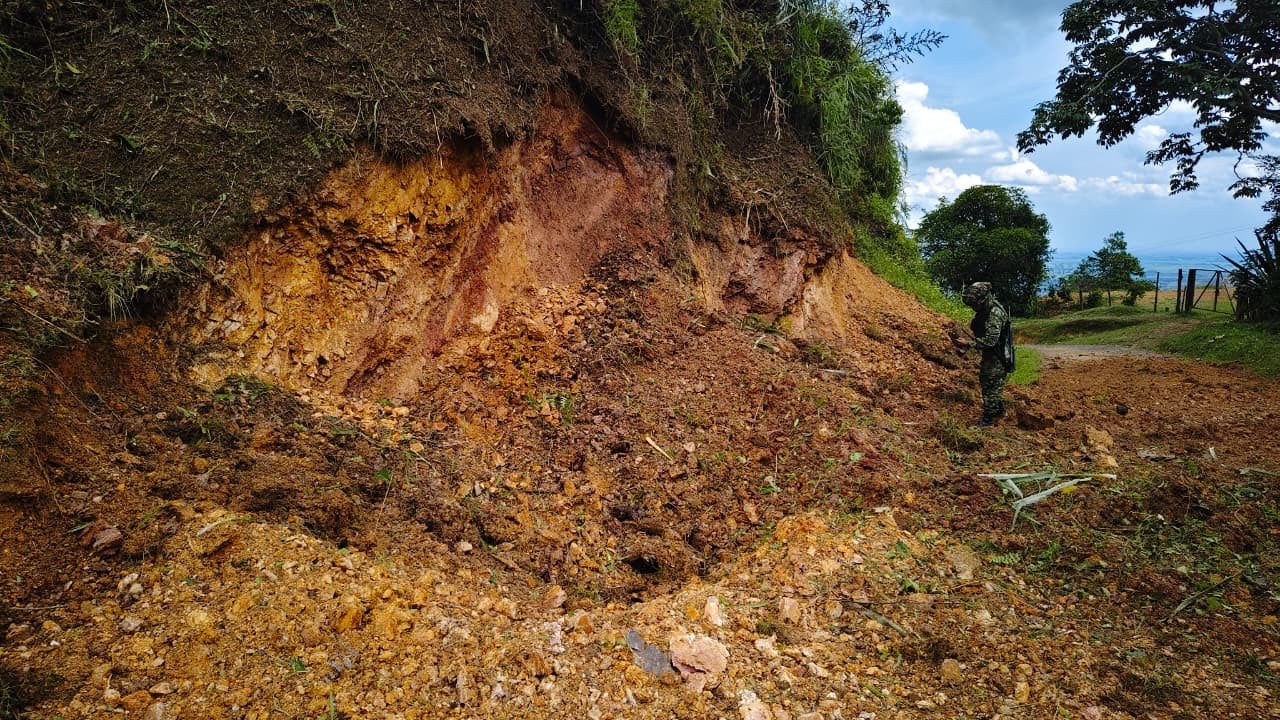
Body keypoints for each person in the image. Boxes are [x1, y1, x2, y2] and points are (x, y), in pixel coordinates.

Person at [961, 282, 1014, 427]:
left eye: (975, 304)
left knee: (991, 386)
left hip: (998, 357)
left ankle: (988, 420)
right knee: (990, 384)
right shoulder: (988, 310)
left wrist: (969, 344)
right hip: (992, 356)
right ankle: (999, 412)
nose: (973, 308)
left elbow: (990, 341)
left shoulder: (994, 314)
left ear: (983, 299)